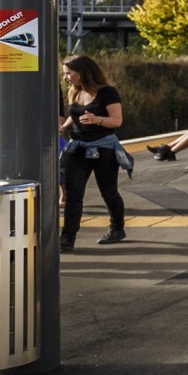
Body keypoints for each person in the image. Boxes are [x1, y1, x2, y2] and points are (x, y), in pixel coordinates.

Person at [60, 54, 127, 248]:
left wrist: (98, 120)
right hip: (78, 148)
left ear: (82, 73)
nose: (65, 78)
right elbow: (77, 114)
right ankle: (68, 237)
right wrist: (64, 126)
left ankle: (117, 228)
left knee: (108, 191)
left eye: (68, 73)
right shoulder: (75, 91)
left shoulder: (108, 92)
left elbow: (117, 120)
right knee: (74, 194)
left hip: (103, 148)